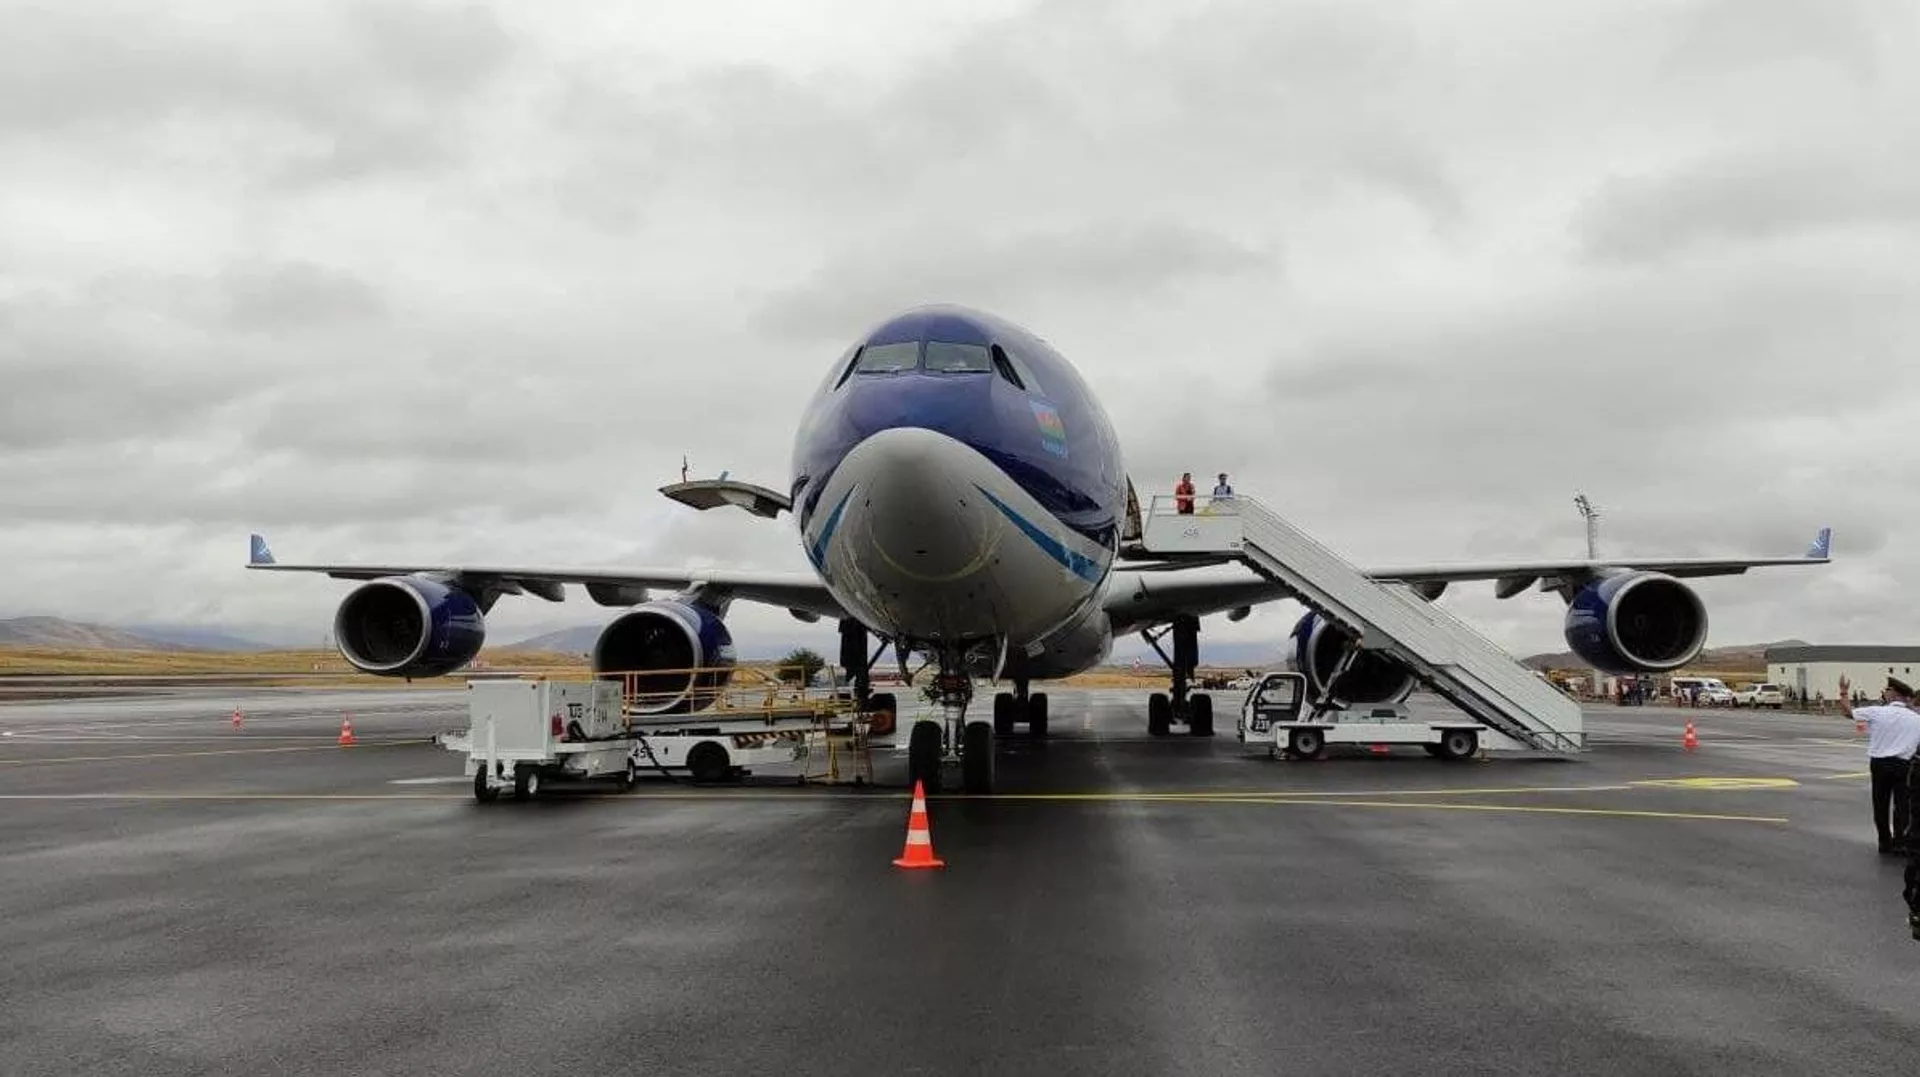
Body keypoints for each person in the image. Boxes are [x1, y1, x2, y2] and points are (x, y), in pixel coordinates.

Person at [1837, 675, 1920, 855]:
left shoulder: (1877, 711)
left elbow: (1847, 712)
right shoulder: (1915, 718)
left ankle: (1884, 841)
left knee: (1880, 804)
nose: (1884, 693)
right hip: (1904, 765)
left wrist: (1843, 692)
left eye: (1887, 691)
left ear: (1893, 694)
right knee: (1902, 805)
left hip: (1879, 764)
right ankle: (1900, 842)